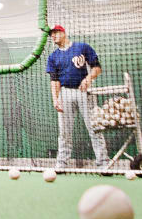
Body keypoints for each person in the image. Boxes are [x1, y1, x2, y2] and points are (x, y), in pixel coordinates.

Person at [46, 24, 108, 169]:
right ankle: (61, 164)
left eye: (55, 33)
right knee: (64, 131)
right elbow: (54, 80)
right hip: (65, 93)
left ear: (63, 32)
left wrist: (88, 79)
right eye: (51, 34)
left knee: (94, 128)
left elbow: (97, 68)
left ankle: (103, 163)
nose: (53, 36)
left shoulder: (82, 47)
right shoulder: (53, 57)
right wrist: (56, 99)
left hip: (85, 92)